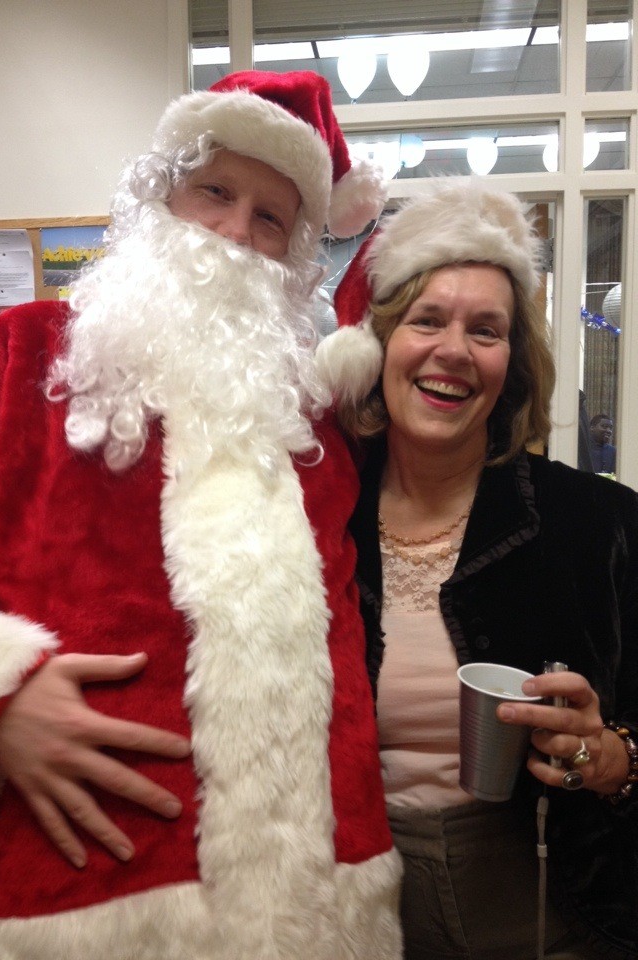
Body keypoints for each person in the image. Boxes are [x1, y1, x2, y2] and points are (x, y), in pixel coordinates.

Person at [0, 71, 403, 960]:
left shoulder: (320, 424)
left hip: (319, 899)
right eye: (215, 192)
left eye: (271, 219)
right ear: (159, 199)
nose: (234, 234)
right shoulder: (17, 357)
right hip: (76, 900)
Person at [317, 179, 638, 959]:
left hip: (550, 901)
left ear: (512, 365)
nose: (453, 351)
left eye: (485, 331)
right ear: (379, 345)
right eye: (426, 320)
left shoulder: (598, 525)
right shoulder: (312, 522)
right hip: (350, 903)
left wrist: (610, 757)